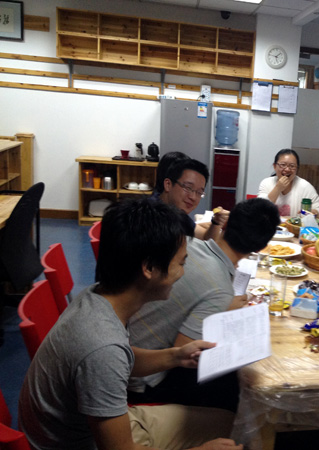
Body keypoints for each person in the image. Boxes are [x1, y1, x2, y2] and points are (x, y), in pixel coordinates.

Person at [18, 198, 242, 450]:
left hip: (98, 425)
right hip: (89, 443)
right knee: (236, 431)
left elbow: (123, 358)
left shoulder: (101, 297)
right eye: (181, 263)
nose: (183, 272)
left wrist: (177, 356)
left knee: (234, 424)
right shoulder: (102, 347)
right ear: (149, 268)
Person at [127, 197, 281, 411]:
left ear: (225, 224)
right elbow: (184, 352)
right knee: (237, 380)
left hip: (127, 342)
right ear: (261, 247)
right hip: (141, 379)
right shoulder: (220, 289)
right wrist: (222, 314)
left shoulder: (186, 244)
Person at [155, 156, 229, 241]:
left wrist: (216, 221)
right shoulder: (151, 218)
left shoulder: (177, 211)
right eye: (188, 188)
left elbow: (205, 237)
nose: (193, 197)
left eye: (199, 192)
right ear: (168, 185)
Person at [258, 148, 319, 217]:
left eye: (292, 166)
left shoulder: (305, 186)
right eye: (283, 165)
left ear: (297, 169)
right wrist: (278, 188)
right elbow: (259, 209)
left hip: (295, 224)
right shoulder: (266, 183)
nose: (287, 169)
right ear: (275, 166)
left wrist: (314, 212)